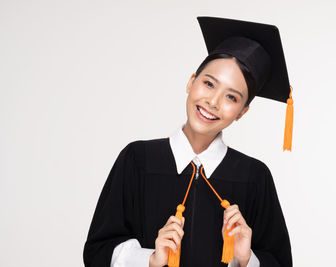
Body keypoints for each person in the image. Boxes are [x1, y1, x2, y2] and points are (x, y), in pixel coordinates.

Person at [83, 16, 293, 267]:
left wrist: (246, 259)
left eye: (231, 97)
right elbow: (98, 251)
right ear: (191, 81)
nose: (213, 102)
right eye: (208, 83)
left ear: (242, 112)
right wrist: (149, 259)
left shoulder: (254, 177)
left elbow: (278, 261)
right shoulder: (138, 160)